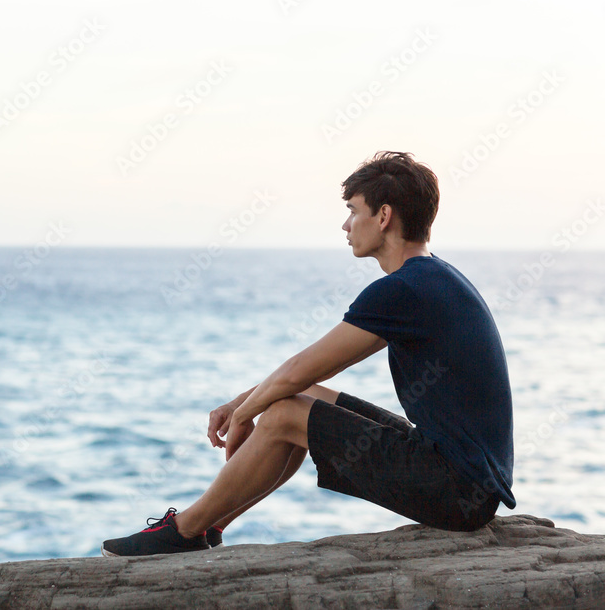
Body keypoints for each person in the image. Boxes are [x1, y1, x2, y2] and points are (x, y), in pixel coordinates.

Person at [102, 150, 515, 557]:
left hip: (455, 490)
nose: (345, 224)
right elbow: (303, 378)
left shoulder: (405, 289)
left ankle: (184, 529)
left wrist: (245, 414)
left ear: (384, 217)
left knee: (283, 412)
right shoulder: (432, 277)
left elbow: (300, 367)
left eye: (354, 211)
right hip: (463, 480)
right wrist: (240, 403)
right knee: (301, 399)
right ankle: (210, 526)